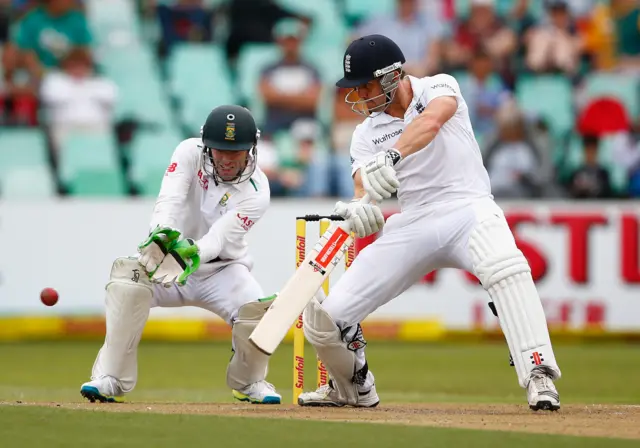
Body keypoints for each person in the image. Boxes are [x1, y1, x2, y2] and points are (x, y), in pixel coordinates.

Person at [297, 35, 561, 411]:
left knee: (507, 268)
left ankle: (538, 375)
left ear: (392, 76)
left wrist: (390, 156)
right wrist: (360, 208)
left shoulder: (438, 86)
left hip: (468, 206)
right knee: (326, 319)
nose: (359, 95)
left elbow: (433, 122)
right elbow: (362, 186)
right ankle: (352, 388)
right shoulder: (364, 133)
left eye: (366, 85)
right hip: (414, 220)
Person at [80, 105, 282, 405]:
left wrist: (191, 251)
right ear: (206, 145)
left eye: (236, 152)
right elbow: (170, 199)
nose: (226, 160)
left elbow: (218, 238)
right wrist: (161, 236)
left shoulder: (258, 190)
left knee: (258, 313)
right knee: (127, 280)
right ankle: (110, 377)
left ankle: (249, 381)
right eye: (219, 151)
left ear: (251, 150)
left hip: (222, 271)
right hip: (166, 259)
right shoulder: (189, 152)